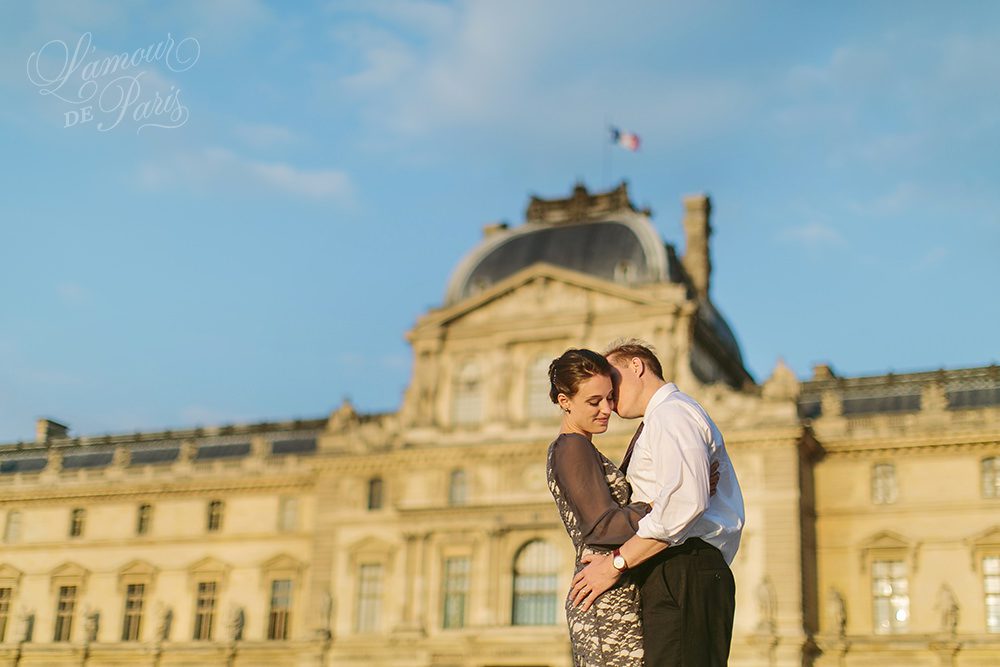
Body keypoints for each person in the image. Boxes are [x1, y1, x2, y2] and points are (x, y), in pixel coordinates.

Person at [570, 340, 745, 667]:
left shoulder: (670, 413)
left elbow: (682, 504)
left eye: (612, 378)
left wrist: (615, 565)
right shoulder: (663, 417)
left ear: (636, 367)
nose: (608, 395)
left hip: (682, 567)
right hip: (676, 568)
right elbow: (681, 499)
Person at [546, 348, 650, 666]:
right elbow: (603, 526)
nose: (607, 409)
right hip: (604, 603)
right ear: (565, 401)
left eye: (609, 398)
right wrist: (666, 504)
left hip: (609, 593)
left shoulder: (580, 448)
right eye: (594, 402)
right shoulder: (572, 448)